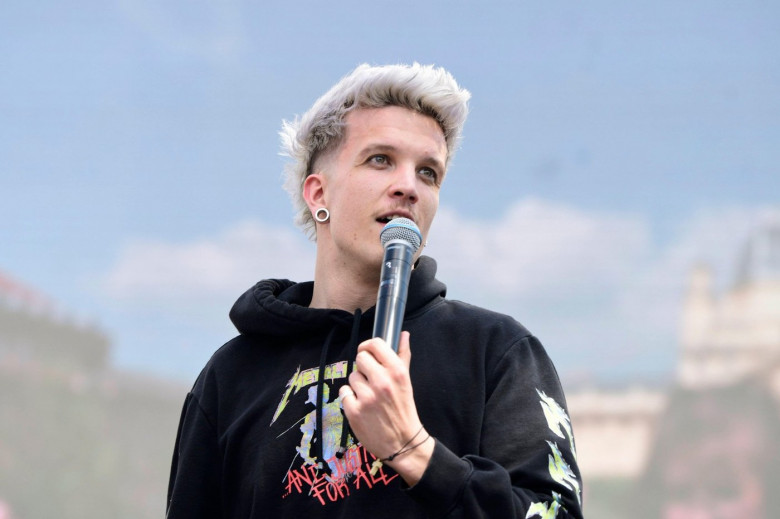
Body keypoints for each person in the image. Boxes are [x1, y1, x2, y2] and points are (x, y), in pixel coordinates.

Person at [167, 63, 583, 518]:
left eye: (428, 172)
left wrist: (414, 450)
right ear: (318, 194)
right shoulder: (231, 376)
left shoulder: (497, 352)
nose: (408, 187)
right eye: (380, 159)